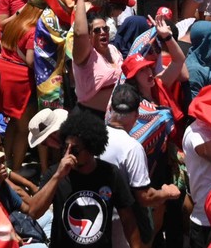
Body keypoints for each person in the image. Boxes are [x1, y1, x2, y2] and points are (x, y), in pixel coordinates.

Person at [21, 106, 143, 248]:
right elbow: (34, 212)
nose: (68, 154)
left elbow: (128, 220)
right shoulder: (54, 174)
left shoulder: (110, 174)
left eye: (75, 149)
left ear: (91, 148)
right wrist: (57, 177)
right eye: (65, 147)